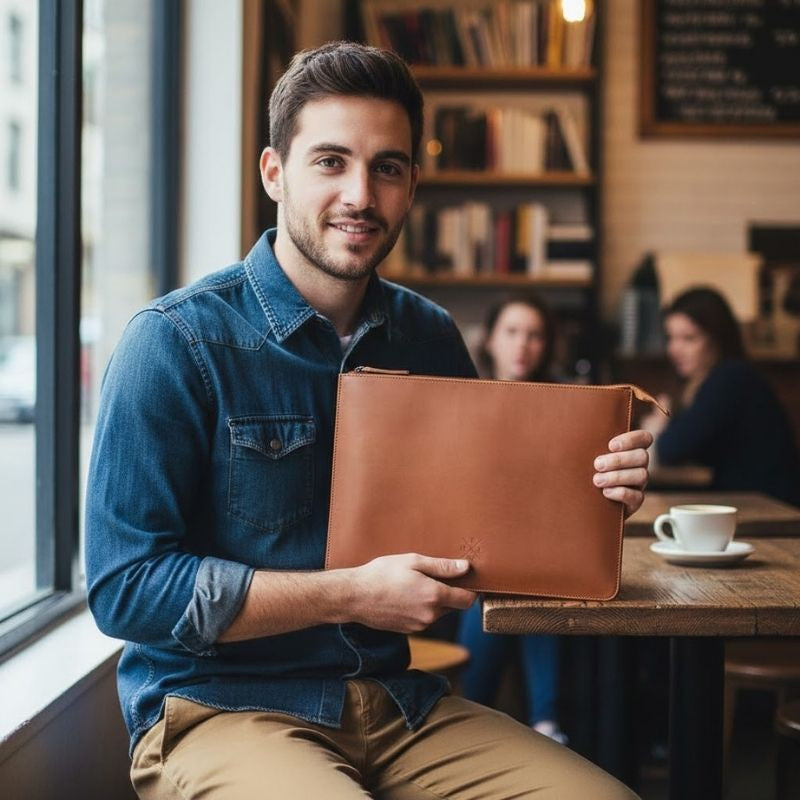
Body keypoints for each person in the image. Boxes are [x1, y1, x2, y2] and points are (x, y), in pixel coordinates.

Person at [85, 41, 652, 799]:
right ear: (274, 173)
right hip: (218, 709)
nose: (361, 193)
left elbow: (487, 543)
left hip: (395, 706)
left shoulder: (430, 338)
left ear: (413, 184)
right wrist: (350, 592)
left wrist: (596, 500)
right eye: (330, 162)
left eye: (387, 166)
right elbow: (127, 589)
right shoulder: (175, 340)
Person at [457, 295, 567, 744]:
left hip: (543, 544)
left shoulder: (566, 402)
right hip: (470, 544)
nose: (524, 344)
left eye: (535, 334)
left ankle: (481, 717)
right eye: (513, 332)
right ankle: (543, 722)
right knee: (500, 580)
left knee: (531, 580)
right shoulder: (464, 398)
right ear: (490, 340)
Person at [643, 286, 800, 508]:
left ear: (717, 339)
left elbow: (671, 449)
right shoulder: (706, 382)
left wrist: (660, 425)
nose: (674, 349)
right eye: (671, 338)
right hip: (747, 503)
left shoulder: (731, 378)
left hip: (773, 509)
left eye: (689, 338)